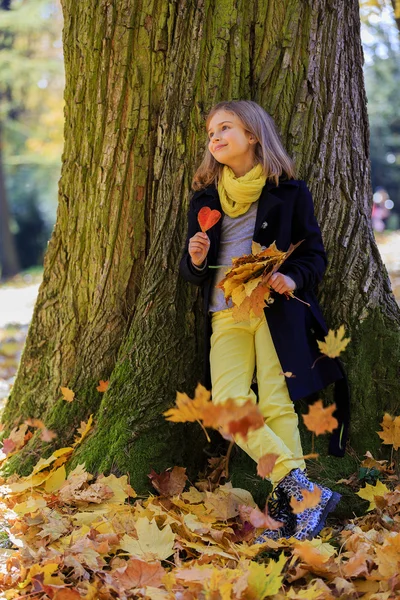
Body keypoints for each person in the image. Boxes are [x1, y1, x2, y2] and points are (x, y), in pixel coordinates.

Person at [179, 100, 350, 542]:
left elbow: (314, 254)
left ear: (253, 135)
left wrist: (290, 275)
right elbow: (191, 267)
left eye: (225, 128)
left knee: (277, 405)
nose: (214, 137)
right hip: (226, 315)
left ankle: (294, 515)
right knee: (230, 405)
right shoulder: (206, 199)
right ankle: (304, 491)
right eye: (210, 132)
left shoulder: (289, 191)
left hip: (276, 313)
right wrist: (196, 260)